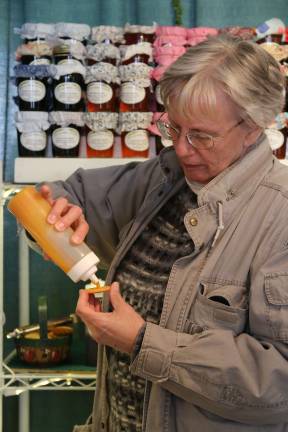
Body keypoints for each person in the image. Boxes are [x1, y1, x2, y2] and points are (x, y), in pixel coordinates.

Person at [39, 34, 288, 432]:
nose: (182, 150)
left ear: (256, 126)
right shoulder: (163, 178)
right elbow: (67, 194)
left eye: (202, 136)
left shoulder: (281, 215)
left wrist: (141, 342)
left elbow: (279, 386)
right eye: (173, 128)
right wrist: (55, 214)